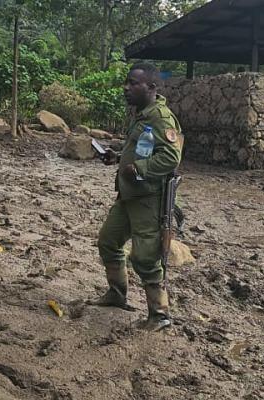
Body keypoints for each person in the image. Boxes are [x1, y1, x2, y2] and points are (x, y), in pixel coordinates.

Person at [91, 63, 184, 331]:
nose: (126, 88)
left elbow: (170, 157)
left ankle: (159, 314)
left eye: (133, 83)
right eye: (127, 82)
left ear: (152, 88)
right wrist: (118, 156)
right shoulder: (142, 115)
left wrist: (139, 169)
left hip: (147, 200)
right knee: (108, 241)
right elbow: (142, 150)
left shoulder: (160, 118)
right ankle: (117, 294)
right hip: (129, 195)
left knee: (145, 257)